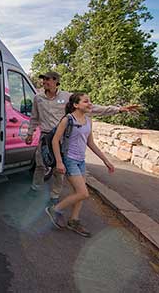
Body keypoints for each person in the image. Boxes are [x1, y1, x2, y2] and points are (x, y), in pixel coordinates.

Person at [25, 71, 138, 204]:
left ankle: (54, 197)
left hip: (62, 139)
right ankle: (35, 190)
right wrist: (30, 133)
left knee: (59, 170)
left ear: (56, 81)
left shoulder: (67, 96)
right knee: (40, 165)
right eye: (43, 80)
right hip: (45, 138)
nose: (44, 82)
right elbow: (34, 117)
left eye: (47, 79)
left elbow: (92, 108)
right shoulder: (38, 98)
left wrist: (118, 109)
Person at [45, 92, 114, 237]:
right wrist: (59, 161)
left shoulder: (88, 120)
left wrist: (105, 160)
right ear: (76, 105)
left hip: (81, 160)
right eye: (86, 101)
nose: (90, 104)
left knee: (79, 194)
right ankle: (54, 209)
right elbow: (55, 140)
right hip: (69, 160)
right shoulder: (68, 119)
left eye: (90, 101)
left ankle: (73, 220)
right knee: (83, 193)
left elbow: (90, 143)